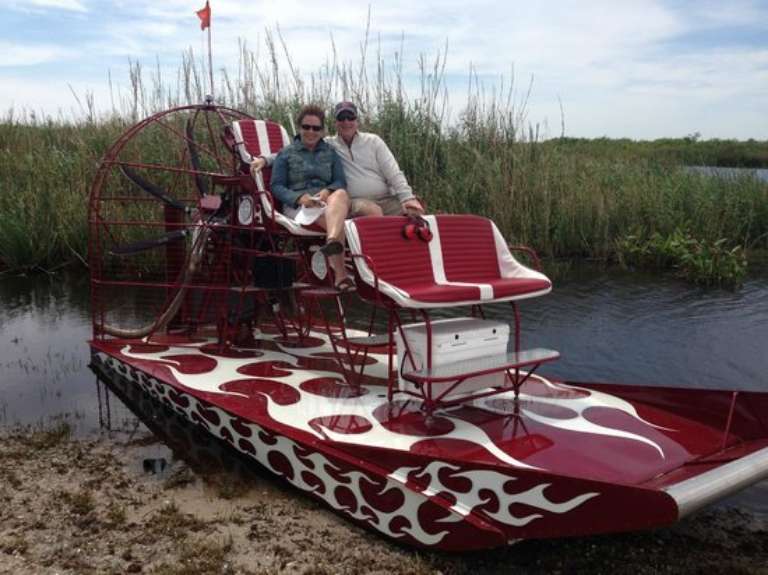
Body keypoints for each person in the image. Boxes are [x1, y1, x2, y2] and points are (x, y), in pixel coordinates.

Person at [270, 104, 354, 292]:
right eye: (306, 127)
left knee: (340, 193)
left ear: (322, 131)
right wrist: (300, 198)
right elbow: (276, 186)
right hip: (298, 206)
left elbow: (340, 180)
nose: (311, 131)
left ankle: (331, 240)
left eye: (316, 128)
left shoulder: (330, 152)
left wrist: (327, 191)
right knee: (334, 220)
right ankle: (341, 276)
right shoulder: (286, 154)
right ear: (300, 128)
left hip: (324, 201)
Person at [327, 101, 424, 217]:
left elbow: (393, 171)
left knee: (415, 212)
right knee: (373, 211)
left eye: (350, 117)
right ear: (335, 122)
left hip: (386, 198)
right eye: (341, 118)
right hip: (355, 201)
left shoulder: (373, 141)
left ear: (357, 121)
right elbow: (308, 140)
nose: (346, 122)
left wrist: (407, 197)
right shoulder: (328, 145)